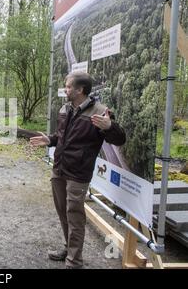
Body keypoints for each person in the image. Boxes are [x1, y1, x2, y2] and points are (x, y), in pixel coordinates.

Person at [30, 71, 126, 269]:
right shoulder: (65, 109)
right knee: (63, 213)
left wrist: (109, 127)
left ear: (80, 90)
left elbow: (120, 139)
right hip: (59, 169)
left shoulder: (100, 111)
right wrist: (50, 140)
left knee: (75, 215)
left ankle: (74, 261)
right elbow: (61, 136)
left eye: (68, 86)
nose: (65, 89)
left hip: (78, 173)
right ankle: (68, 248)